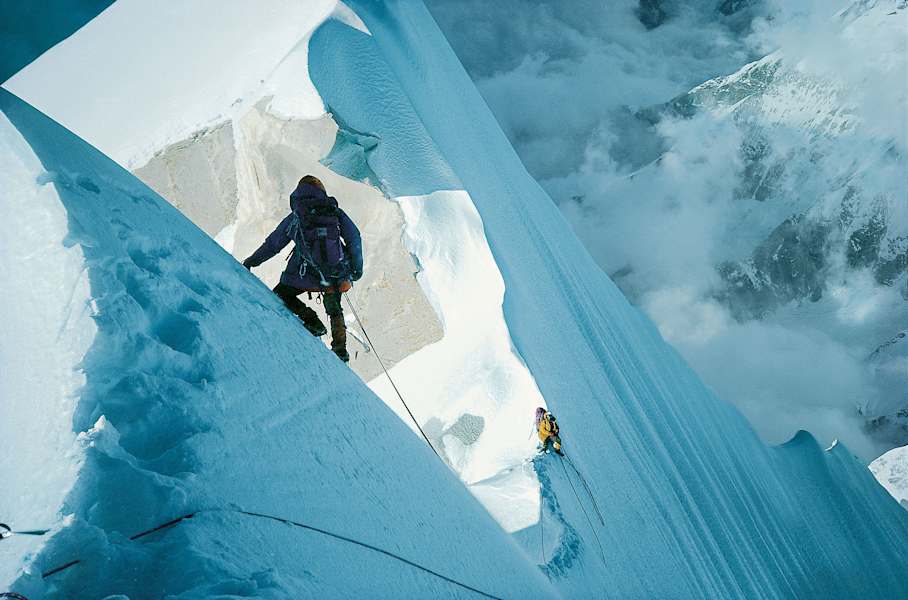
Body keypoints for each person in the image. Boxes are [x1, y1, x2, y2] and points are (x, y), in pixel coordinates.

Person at [243, 175, 363, 362]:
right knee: (334, 308)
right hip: (335, 273)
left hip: (306, 274)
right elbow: (354, 238)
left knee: (282, 293)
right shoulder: (333, 211)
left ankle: (312, 321)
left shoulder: (297, 216)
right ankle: (340, 350)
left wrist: (252, 261)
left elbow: (274, 244)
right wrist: (356, 269)